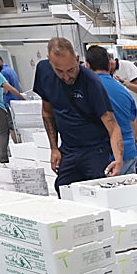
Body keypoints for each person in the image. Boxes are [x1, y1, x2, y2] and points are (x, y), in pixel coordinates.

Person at [32, 37, 123, 188]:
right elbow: (47, 112)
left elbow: (112, 125)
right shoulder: (44, 72)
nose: (66, 76)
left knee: (98, 191)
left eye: (71, 70)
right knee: (63, 188)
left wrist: (118, 159)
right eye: (59, 71)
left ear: (77, 59)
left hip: (95, 149)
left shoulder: (91, 82)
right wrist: (54, 148)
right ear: (49, 61)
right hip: (69, 149)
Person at [86, 45, 137, 175]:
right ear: (110, 65)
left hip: (108, 157)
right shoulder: (123, 89)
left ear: (87, 66)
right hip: (129, 151)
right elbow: (133, 119)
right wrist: (134, 137)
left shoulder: (89, 89)